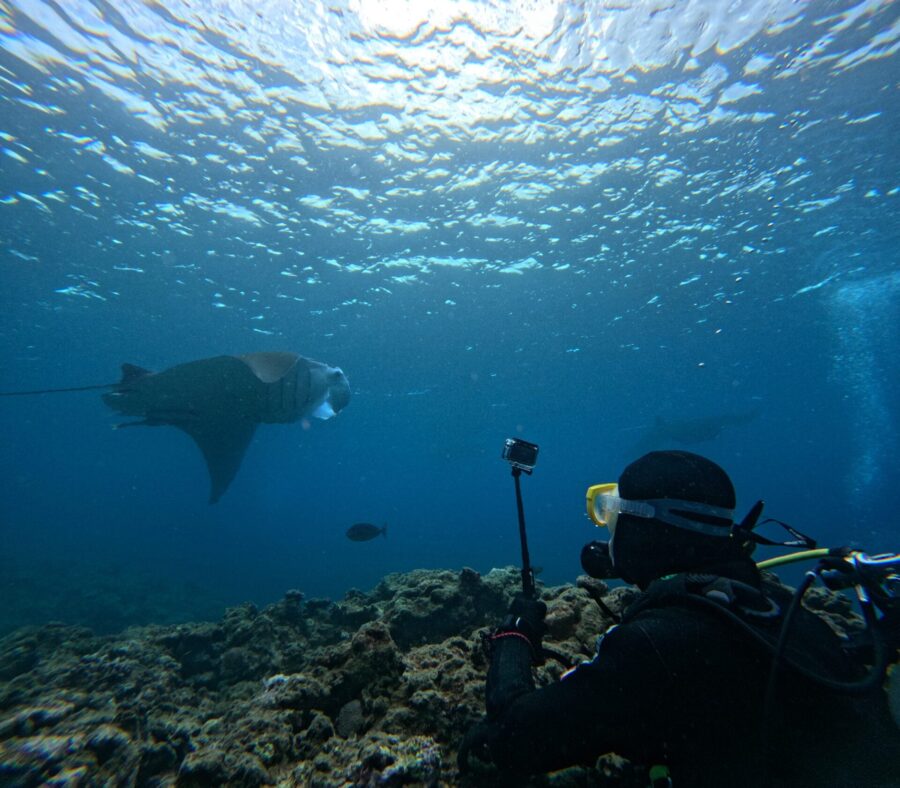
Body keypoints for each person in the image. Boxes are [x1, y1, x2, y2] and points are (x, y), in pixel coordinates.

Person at [458, 450, 900, 786]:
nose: (606, 530)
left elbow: (508, 742)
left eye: (610, 513)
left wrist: (514, 638)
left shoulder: (656, 646)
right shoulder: (784, 614)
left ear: (645, 529)